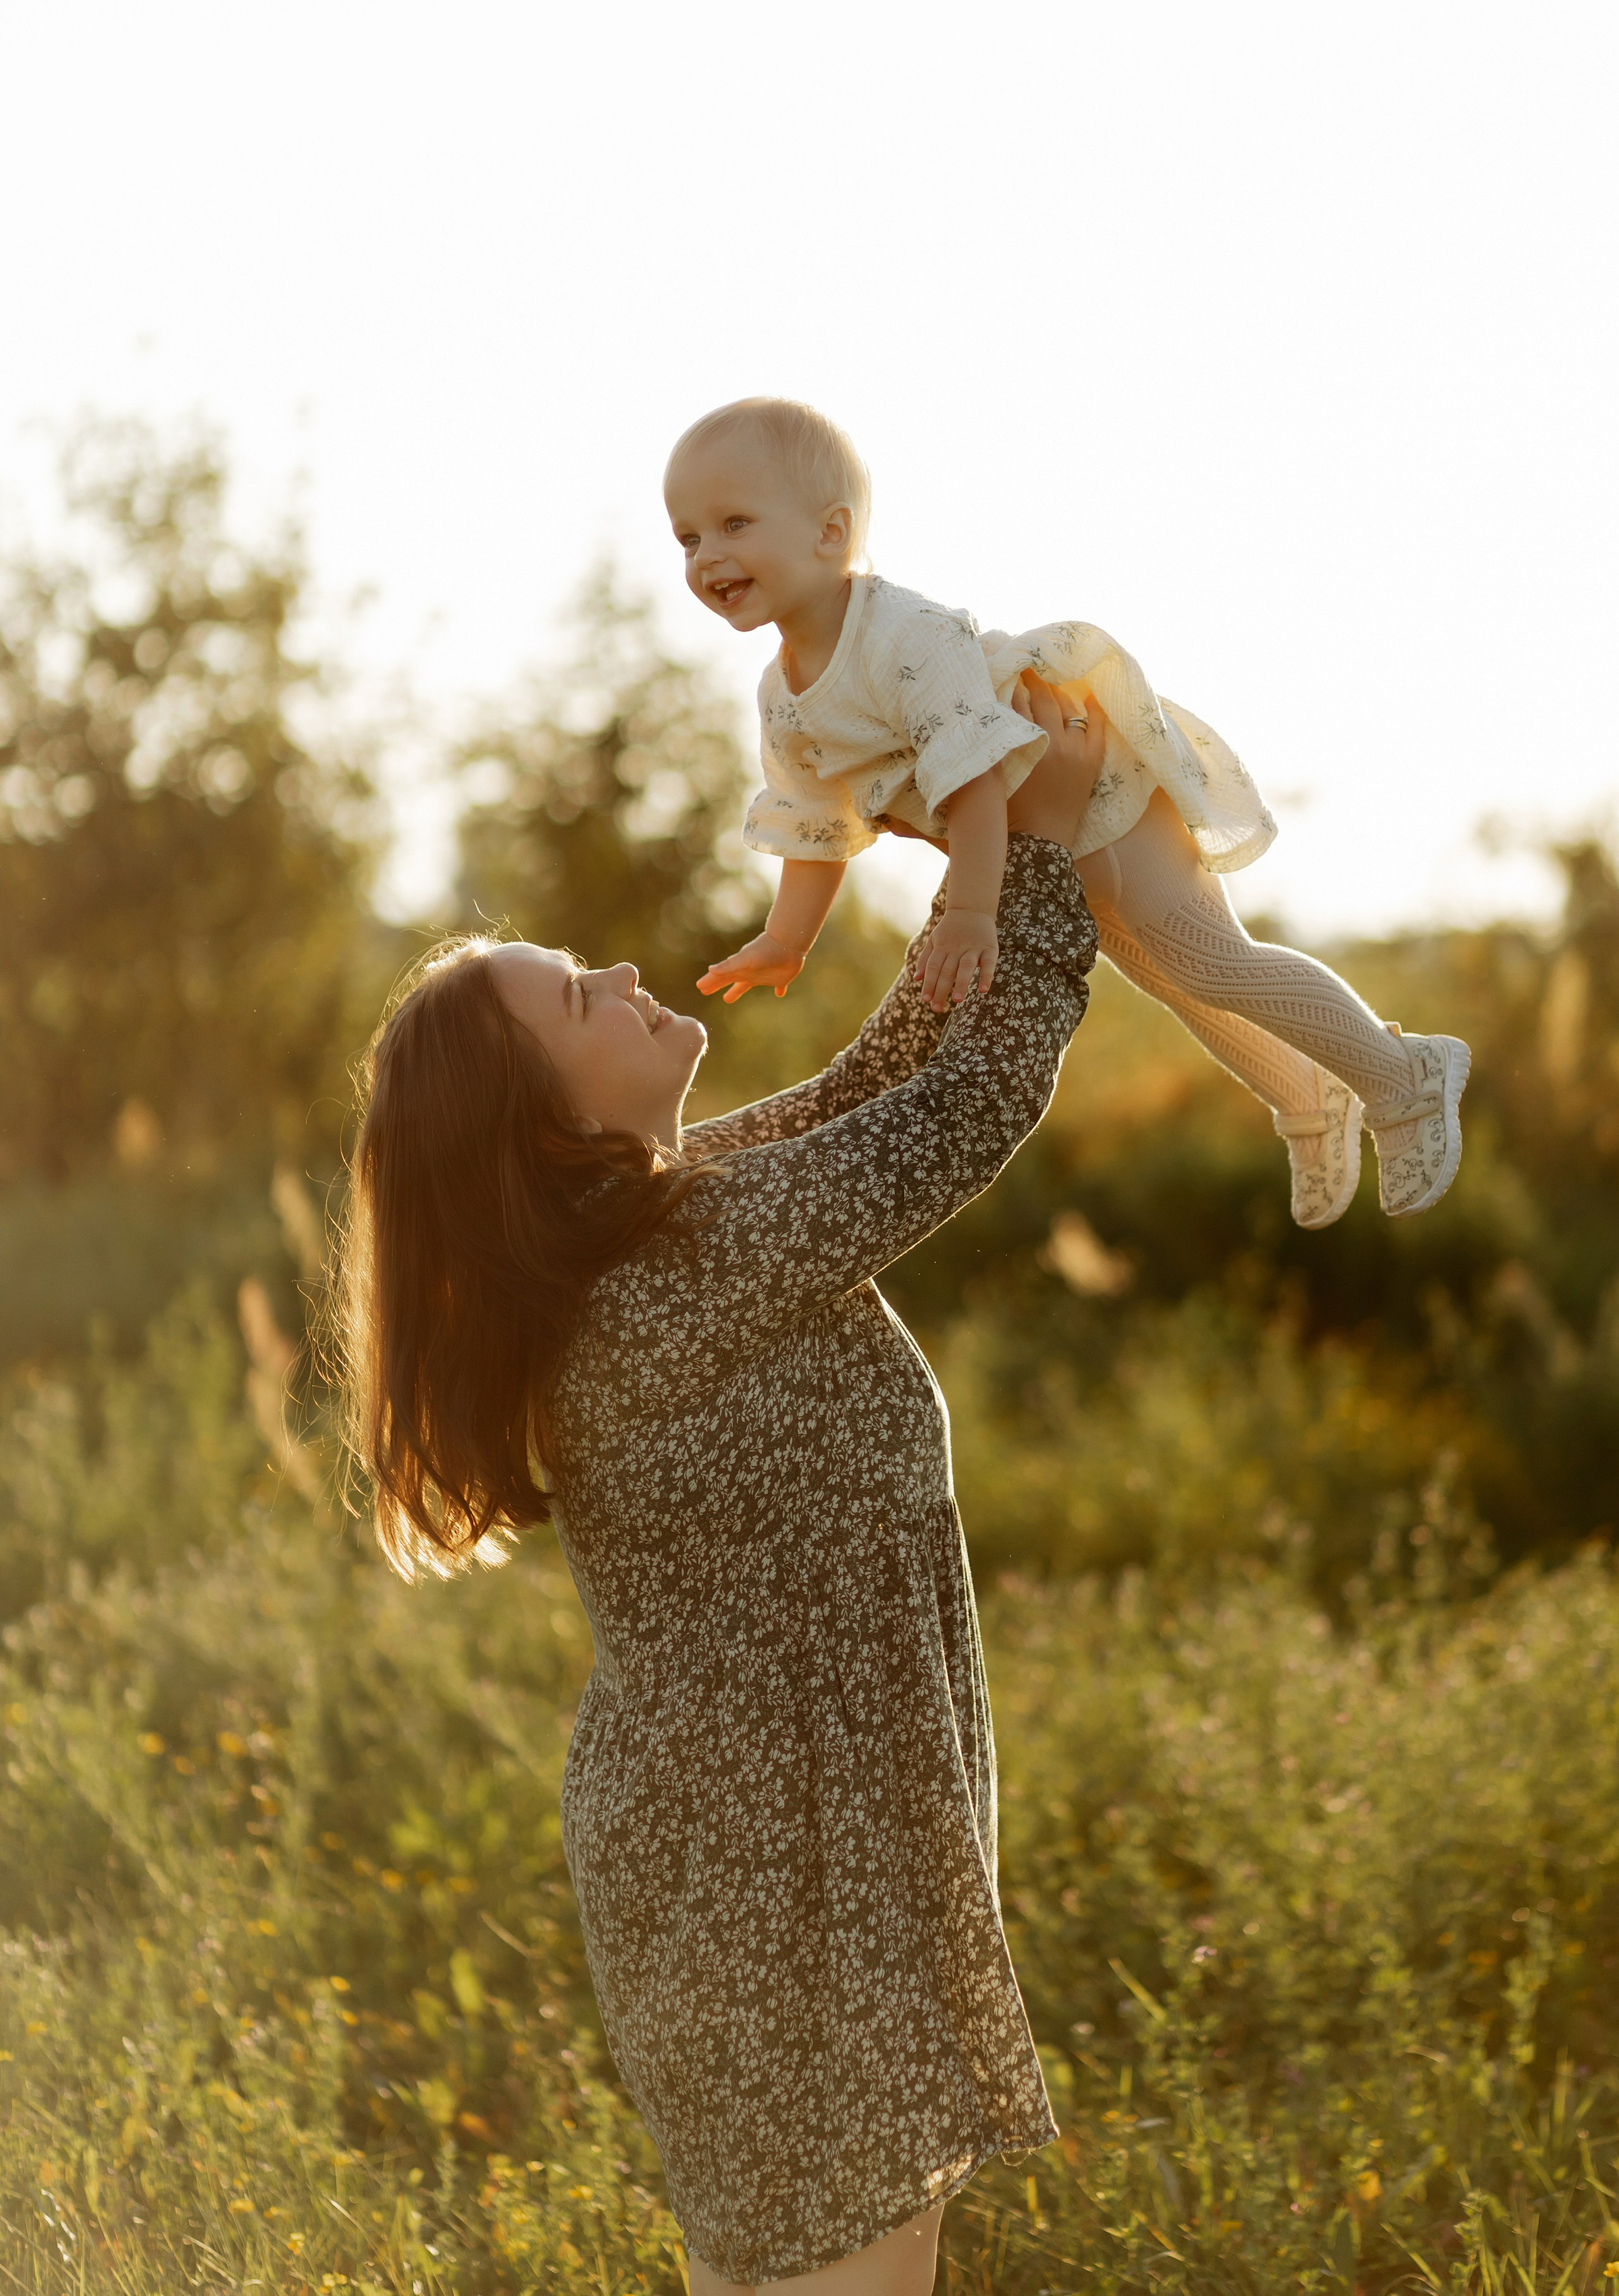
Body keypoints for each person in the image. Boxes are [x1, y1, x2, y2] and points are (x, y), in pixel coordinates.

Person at [337, 684, 1108, 2293]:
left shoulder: (654, 1224)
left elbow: (866, 1085)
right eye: (579, 996)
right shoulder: (679, 1263)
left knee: (805, 2262)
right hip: (776, 1860)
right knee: (842, 2262)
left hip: (779, 1829)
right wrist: (1046, 850)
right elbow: (955, 1116)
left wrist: (969, 891)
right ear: (546, 1124)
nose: (623, 976)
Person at [665, 394, 1471, 1229]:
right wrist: (787, 937)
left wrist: (972, 916)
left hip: (1098, 791)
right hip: (1041, 847)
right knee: (1171, 981)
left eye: (733, 524)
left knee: (1209, 961)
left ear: (830, 532)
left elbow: (975, 785)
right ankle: (1307, 1095)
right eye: (688, 538)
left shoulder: (904, 636)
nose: (706, 556)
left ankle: (1401, 1076)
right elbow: (814, 823)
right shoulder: (783, 695)